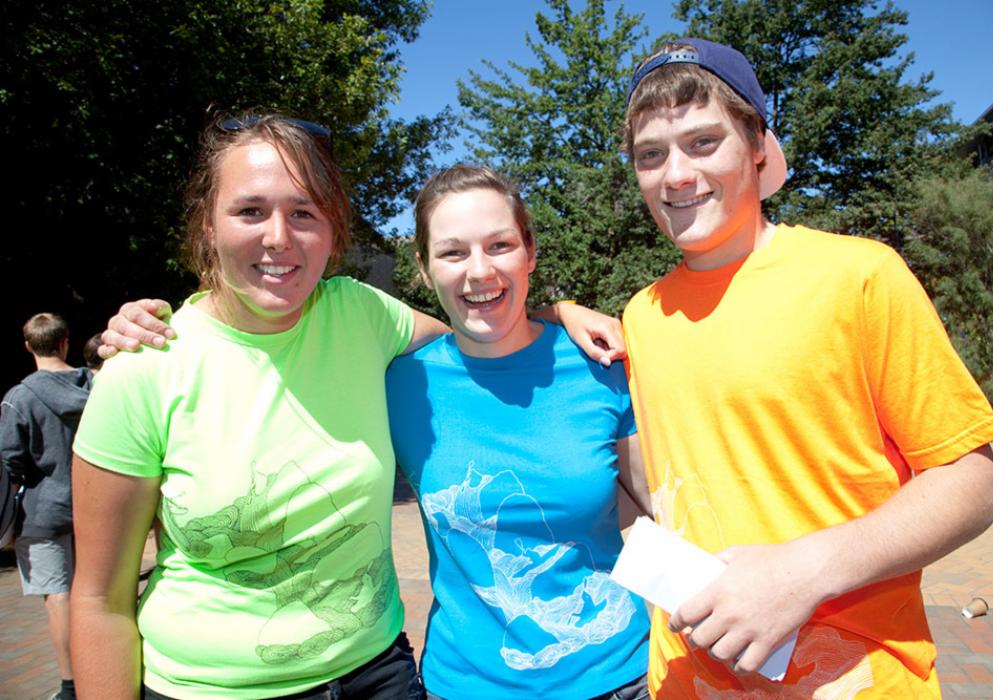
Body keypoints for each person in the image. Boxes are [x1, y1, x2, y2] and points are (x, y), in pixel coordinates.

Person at [71, 113, 618, 700]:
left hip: (378, 675)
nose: (279, 237)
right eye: (250, 211)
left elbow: (477, 328)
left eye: (303, 212)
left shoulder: (360, 314)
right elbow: (100, 599)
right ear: (207, 225)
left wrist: (559, 315)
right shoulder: (143, 368)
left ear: (331, 231)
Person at [619, 38, 993, 696]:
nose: (676, 174)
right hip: (684, 683)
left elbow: (972, 482)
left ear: (758, 145)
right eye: (651, 155)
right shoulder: (640, 316)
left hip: (860, 682)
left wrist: (805, 570)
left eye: (704, 142)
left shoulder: (857, 275)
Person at [385, 165, 651, 700]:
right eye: (453, 252)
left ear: (530, 252)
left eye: (500, 245)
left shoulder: (603, 365)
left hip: (622, 677)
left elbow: (661, 509)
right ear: (424, 266)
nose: (478, 271)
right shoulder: (398, 383)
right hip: (463, 686)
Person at [1, 312, 94, 700]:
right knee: (101, 593)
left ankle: (72, 686)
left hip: (43, 513)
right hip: (95, 507)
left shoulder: (18, 398)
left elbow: (11, 460)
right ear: (65, 342)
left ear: (28, 346)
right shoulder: (96, 385)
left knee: (58, 598)